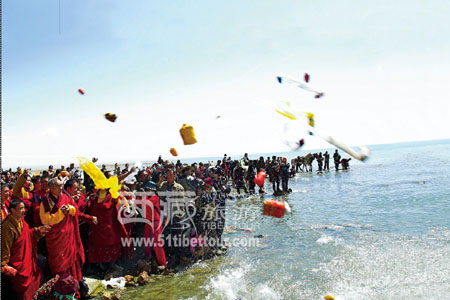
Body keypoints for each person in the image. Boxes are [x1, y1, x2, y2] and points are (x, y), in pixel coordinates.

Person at [2, 198, 49, 300]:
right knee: (23, 291)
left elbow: (28, 234)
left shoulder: (22, 220)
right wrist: (4, 265)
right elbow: (5, 247)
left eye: (24, 208)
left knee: (37, 277)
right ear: (13, 210)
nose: (24, 210)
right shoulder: (7, 226)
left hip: (27, 260)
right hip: (18, 263)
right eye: (21, 208)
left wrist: (38, 231)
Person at [40, 178, 85, 281]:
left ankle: (73, 283)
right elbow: (46, 221)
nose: (61, 188)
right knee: (59, 264)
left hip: (68, 236)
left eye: (61, 186)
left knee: (71, 261)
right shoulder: (46, 202)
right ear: (50, 188)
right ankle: (60, 286)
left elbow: (75, 210)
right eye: (57, 186)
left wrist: (70, 209)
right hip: (56, 239)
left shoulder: (65, 197)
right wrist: (61, 213)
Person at [141, 181, 167, 268]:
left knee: (157, 243)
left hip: (155, 222)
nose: (147, 190)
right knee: (146, 241)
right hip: (148, 222)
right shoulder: (147, 196)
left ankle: (163, 263)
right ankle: (148, 257)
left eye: (148, 189)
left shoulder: (154, 197)